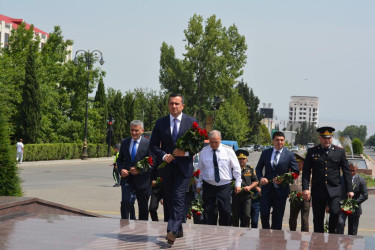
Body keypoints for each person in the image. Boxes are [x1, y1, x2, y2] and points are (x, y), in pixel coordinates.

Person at [149, 93, 197, 245]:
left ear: (182, 105)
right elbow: (153, 145)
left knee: (178, 198)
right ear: (168, 105)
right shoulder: (160, 123)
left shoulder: (191, 122)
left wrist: (186, 153)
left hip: (184, 169)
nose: (174, 106)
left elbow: (199, 145)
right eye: (171, 103)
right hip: (167, 168)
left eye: (177, 104)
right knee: (169, 200)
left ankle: (171, 230)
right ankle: (178, 230)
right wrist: (163, 156)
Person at [302, 126, 353, 233]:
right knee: (318, 218)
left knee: (335, 213)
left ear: (332, 138)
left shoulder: (340, 152)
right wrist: (305, 188)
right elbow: (306, 171)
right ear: (319, 138)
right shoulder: (312, 152)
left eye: (329, 138)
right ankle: (318, 242)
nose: (327, 140)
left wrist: (350, 189)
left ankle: (332, 239)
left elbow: (346, 171)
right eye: (324, 138)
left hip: (334, 190)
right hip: (318, 190)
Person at [196, 130, 242, 227]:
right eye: (211, 142)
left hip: (224, 186)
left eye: (216, 142)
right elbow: (200, 170)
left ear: (220, 140)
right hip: (209, 186)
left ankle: (224, 234)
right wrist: (199, 184)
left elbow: (236, 168)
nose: (213, 144)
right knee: (209, 212)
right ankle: (209, 234)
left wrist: (238, 183)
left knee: (225, 211)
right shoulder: (204, 152)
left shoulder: (228, 151)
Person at [256, 131, 299, 230]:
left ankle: (276, 240)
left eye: (282, 140)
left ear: (284, 141)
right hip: (267, 190)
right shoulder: (266, 153)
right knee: (264, 213)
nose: (279, 142)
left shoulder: (289, 155)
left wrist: (283, 180)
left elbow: (295, 172)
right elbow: (258, 168)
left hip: (281, 191)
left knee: (277, 218)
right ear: (273, 141)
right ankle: (265, 234)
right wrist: (261, 178)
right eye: (277, 140)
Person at [117, 120, 151, 221]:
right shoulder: (125, 142)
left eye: (136, 130)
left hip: (143, 180)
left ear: (142, 130)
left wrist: (140, 170)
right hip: (127, 179)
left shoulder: (148, 143)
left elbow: (152, 162)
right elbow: (120, 160)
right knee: (125, 202)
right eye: (132, 130)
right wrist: (121, 170)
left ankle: (142, 230)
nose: (134, 133)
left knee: (143, 207)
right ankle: (124, 224)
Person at [337, 162, 368, 235]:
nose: (351, 172)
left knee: (352, 231)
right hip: (343, 207)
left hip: (354, 208)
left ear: (356, 170)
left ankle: (350, 245)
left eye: (353, 171)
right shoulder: (341, 178)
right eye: (350, 170)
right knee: (340, 223)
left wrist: (354, 203)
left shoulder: (361, 180)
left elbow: (365, 195)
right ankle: (338, 240)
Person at [231, 149, 259, 227]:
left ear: (246, 159)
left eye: (243, 159)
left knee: (246, 216)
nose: (241, 160)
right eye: (239, 158)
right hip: (236, 196)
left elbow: (256, 181)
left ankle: (244, 233)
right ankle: (235, 234)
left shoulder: (250, 169)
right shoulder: (232, 169)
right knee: (235, 216)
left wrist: (250, 187)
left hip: (247, 197)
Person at [289, 153, 311, 232]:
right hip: (294, 198)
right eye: (296, 163)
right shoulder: (291, 173)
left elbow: (312, 185)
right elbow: (289, 185)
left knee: (304, 219)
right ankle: (292, 233)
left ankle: (304, 237)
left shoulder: (308, 173)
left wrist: (310, 195)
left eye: (299, 163)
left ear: (303, 163)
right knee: (292, 219)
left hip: (305, 198)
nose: (297, 165)